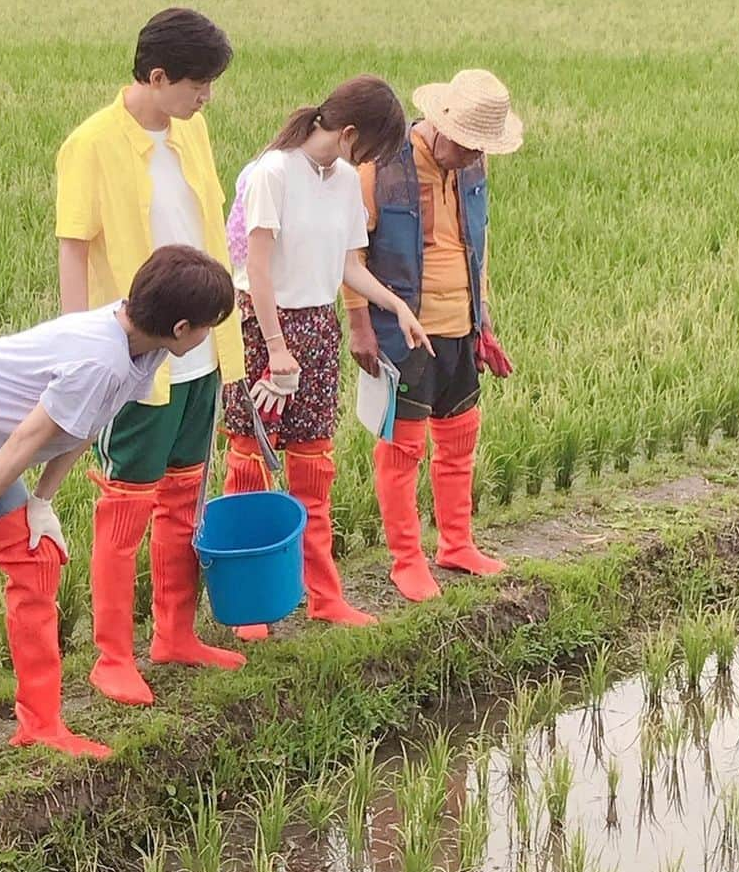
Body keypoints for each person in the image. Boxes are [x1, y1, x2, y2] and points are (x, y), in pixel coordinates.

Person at [0, 245, 235, 806]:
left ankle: (40, 723)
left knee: (36, 558)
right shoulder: (101, 356)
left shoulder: (146, 352)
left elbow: (86, 424)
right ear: (181, 325)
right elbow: (27, 439)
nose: (210, 336)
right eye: (209, 327)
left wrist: (42, 502)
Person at [55, 9, 246, 707]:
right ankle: (111, 656)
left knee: (182, 501)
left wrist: (232, 335)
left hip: (202, 353)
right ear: (157, 76)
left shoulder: (193, 133)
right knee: (125, 508)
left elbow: (212, 230)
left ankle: (175, 634)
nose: (207, 97)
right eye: (198, 83)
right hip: (134, 357)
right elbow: (74, 246)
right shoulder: (92, 143)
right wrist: (79, 345)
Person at [222, 76, 433, 639]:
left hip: (317, 328)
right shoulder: (273, 172)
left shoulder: (341, 180)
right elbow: (258, 271)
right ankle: (252, 607)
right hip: (261, 327)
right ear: (348, 133)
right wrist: (274, 348)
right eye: (371, 151)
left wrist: (397, 307)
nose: (370, 163)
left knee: (314, 466)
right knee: (251, 462)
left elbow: (349, 266)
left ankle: (324, 596)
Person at [344, 69, 521, 602]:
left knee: (460, 435)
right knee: (402, 448)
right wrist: (359, 326)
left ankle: (457, 543)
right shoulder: (380, 167)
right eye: (466, 145)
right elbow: (350, 254)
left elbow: (478, 245)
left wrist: (482, 318)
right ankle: (406, 559)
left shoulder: (473, 166)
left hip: (460, 327)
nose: (472, 156)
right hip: (403, 332)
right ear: (441, 125)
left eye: (479, 149)